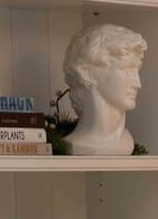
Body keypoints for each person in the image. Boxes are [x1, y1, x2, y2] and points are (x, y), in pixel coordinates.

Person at [63, 24, 147, 157]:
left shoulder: (125, 142)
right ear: (88, 72)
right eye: (126, 69)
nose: (138, 83)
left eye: (137, 70)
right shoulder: (74, 144)